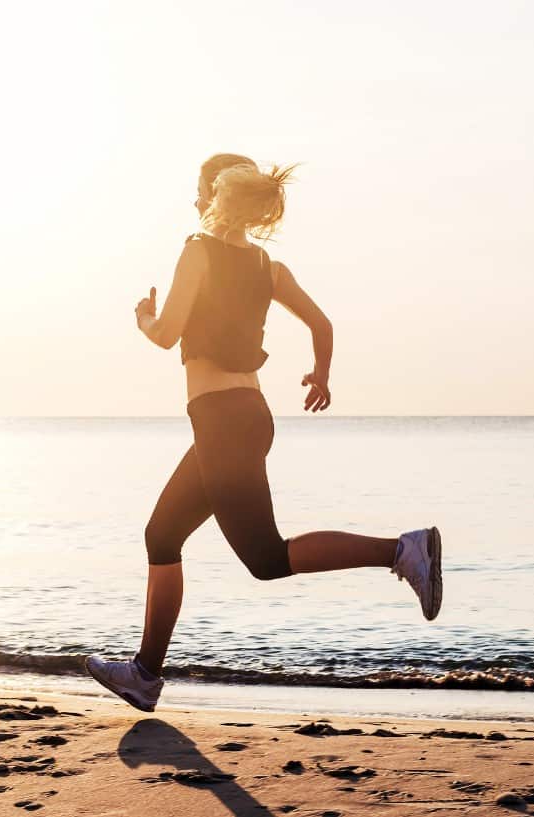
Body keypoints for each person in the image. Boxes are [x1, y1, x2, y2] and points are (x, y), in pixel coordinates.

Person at [85, 153, 443, 712]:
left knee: (266, 558)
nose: (193, 201)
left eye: (197, 190)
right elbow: (321, 324)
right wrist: (320, 374)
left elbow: (165, 335)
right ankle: (144, 674)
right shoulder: (267, 268)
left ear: (214, 194)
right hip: (242, 417)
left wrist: (143, 317)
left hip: (223, 421)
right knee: (162, 535)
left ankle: (402, 550)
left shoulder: (196, 250)